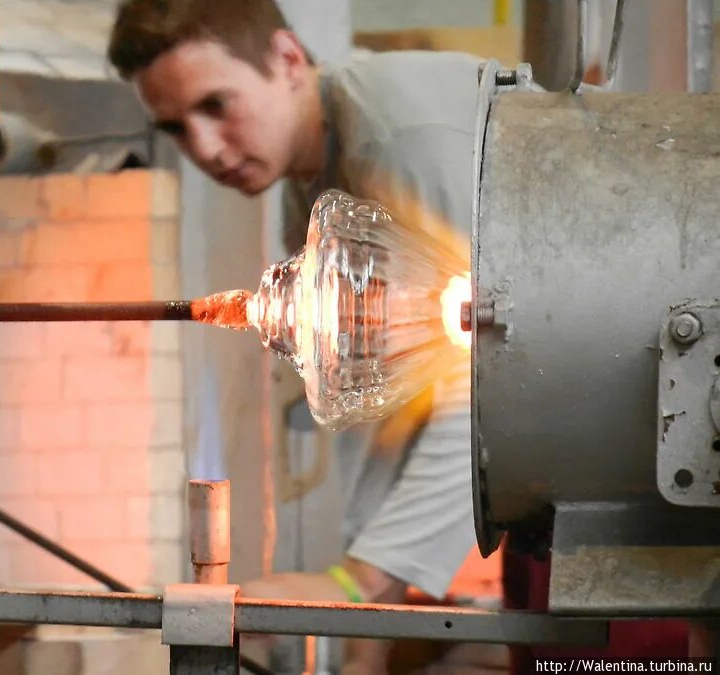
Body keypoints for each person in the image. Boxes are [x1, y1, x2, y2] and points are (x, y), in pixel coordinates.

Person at [107, 2, 496, 672]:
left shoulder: (400, 137)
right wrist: (364, 630)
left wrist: (364, 582)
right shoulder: (317, 194)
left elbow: (498, 378)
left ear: (289, 59)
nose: (203, 147)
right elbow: (401, 404)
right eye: (175, 127)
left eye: (216, 105)